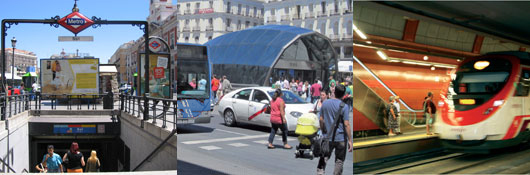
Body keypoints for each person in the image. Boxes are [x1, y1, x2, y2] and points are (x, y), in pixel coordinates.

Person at [317, 84, 353, 175]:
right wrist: (350, 140)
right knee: (339, 160)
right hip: (341, 138)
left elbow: (321, 119)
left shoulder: (325, 103)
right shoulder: (344, 106)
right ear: (343, 94)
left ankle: (320, 172)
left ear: (334, 92)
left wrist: (322, 130)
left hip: (327, 137)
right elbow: (346, 124)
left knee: (324, 156)